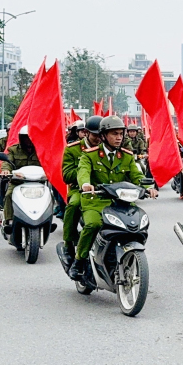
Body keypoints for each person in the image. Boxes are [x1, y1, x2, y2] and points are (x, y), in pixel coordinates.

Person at [71, 116, 157, 280]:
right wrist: (85, 185)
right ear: (103, 135)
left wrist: (148, 188)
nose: (118, 137)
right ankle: (79, 261)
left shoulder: (126, 156)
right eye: (114, 134)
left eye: (120, 134)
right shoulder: (90, 155)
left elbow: (137, 176)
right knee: (93, 224)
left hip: (122, 202)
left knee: (136, 224)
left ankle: (130, 254)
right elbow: (83, 171)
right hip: (96, 201)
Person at [59, 115, 103, 266]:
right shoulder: (73, 149)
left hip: (103, 190)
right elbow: (66, 175)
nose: (98, 139)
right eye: (95, 135)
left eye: (101, 135)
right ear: (86, 132)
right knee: (73, 205)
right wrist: (84, 173)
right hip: (79, 190)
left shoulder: (106, 148)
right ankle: (68, 243)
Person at [0, 126, 41, 234]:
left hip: (38, 183)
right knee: (9, 195)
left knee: (50, 196)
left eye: (31, 137)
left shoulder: (41, 149)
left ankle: (47, 219)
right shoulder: (13, 150)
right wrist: (6, 171)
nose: (29, 139)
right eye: (26, 137)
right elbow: (7, 163)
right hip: (18, 182)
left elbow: (49, 162)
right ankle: (9, 220)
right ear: (21, 138)